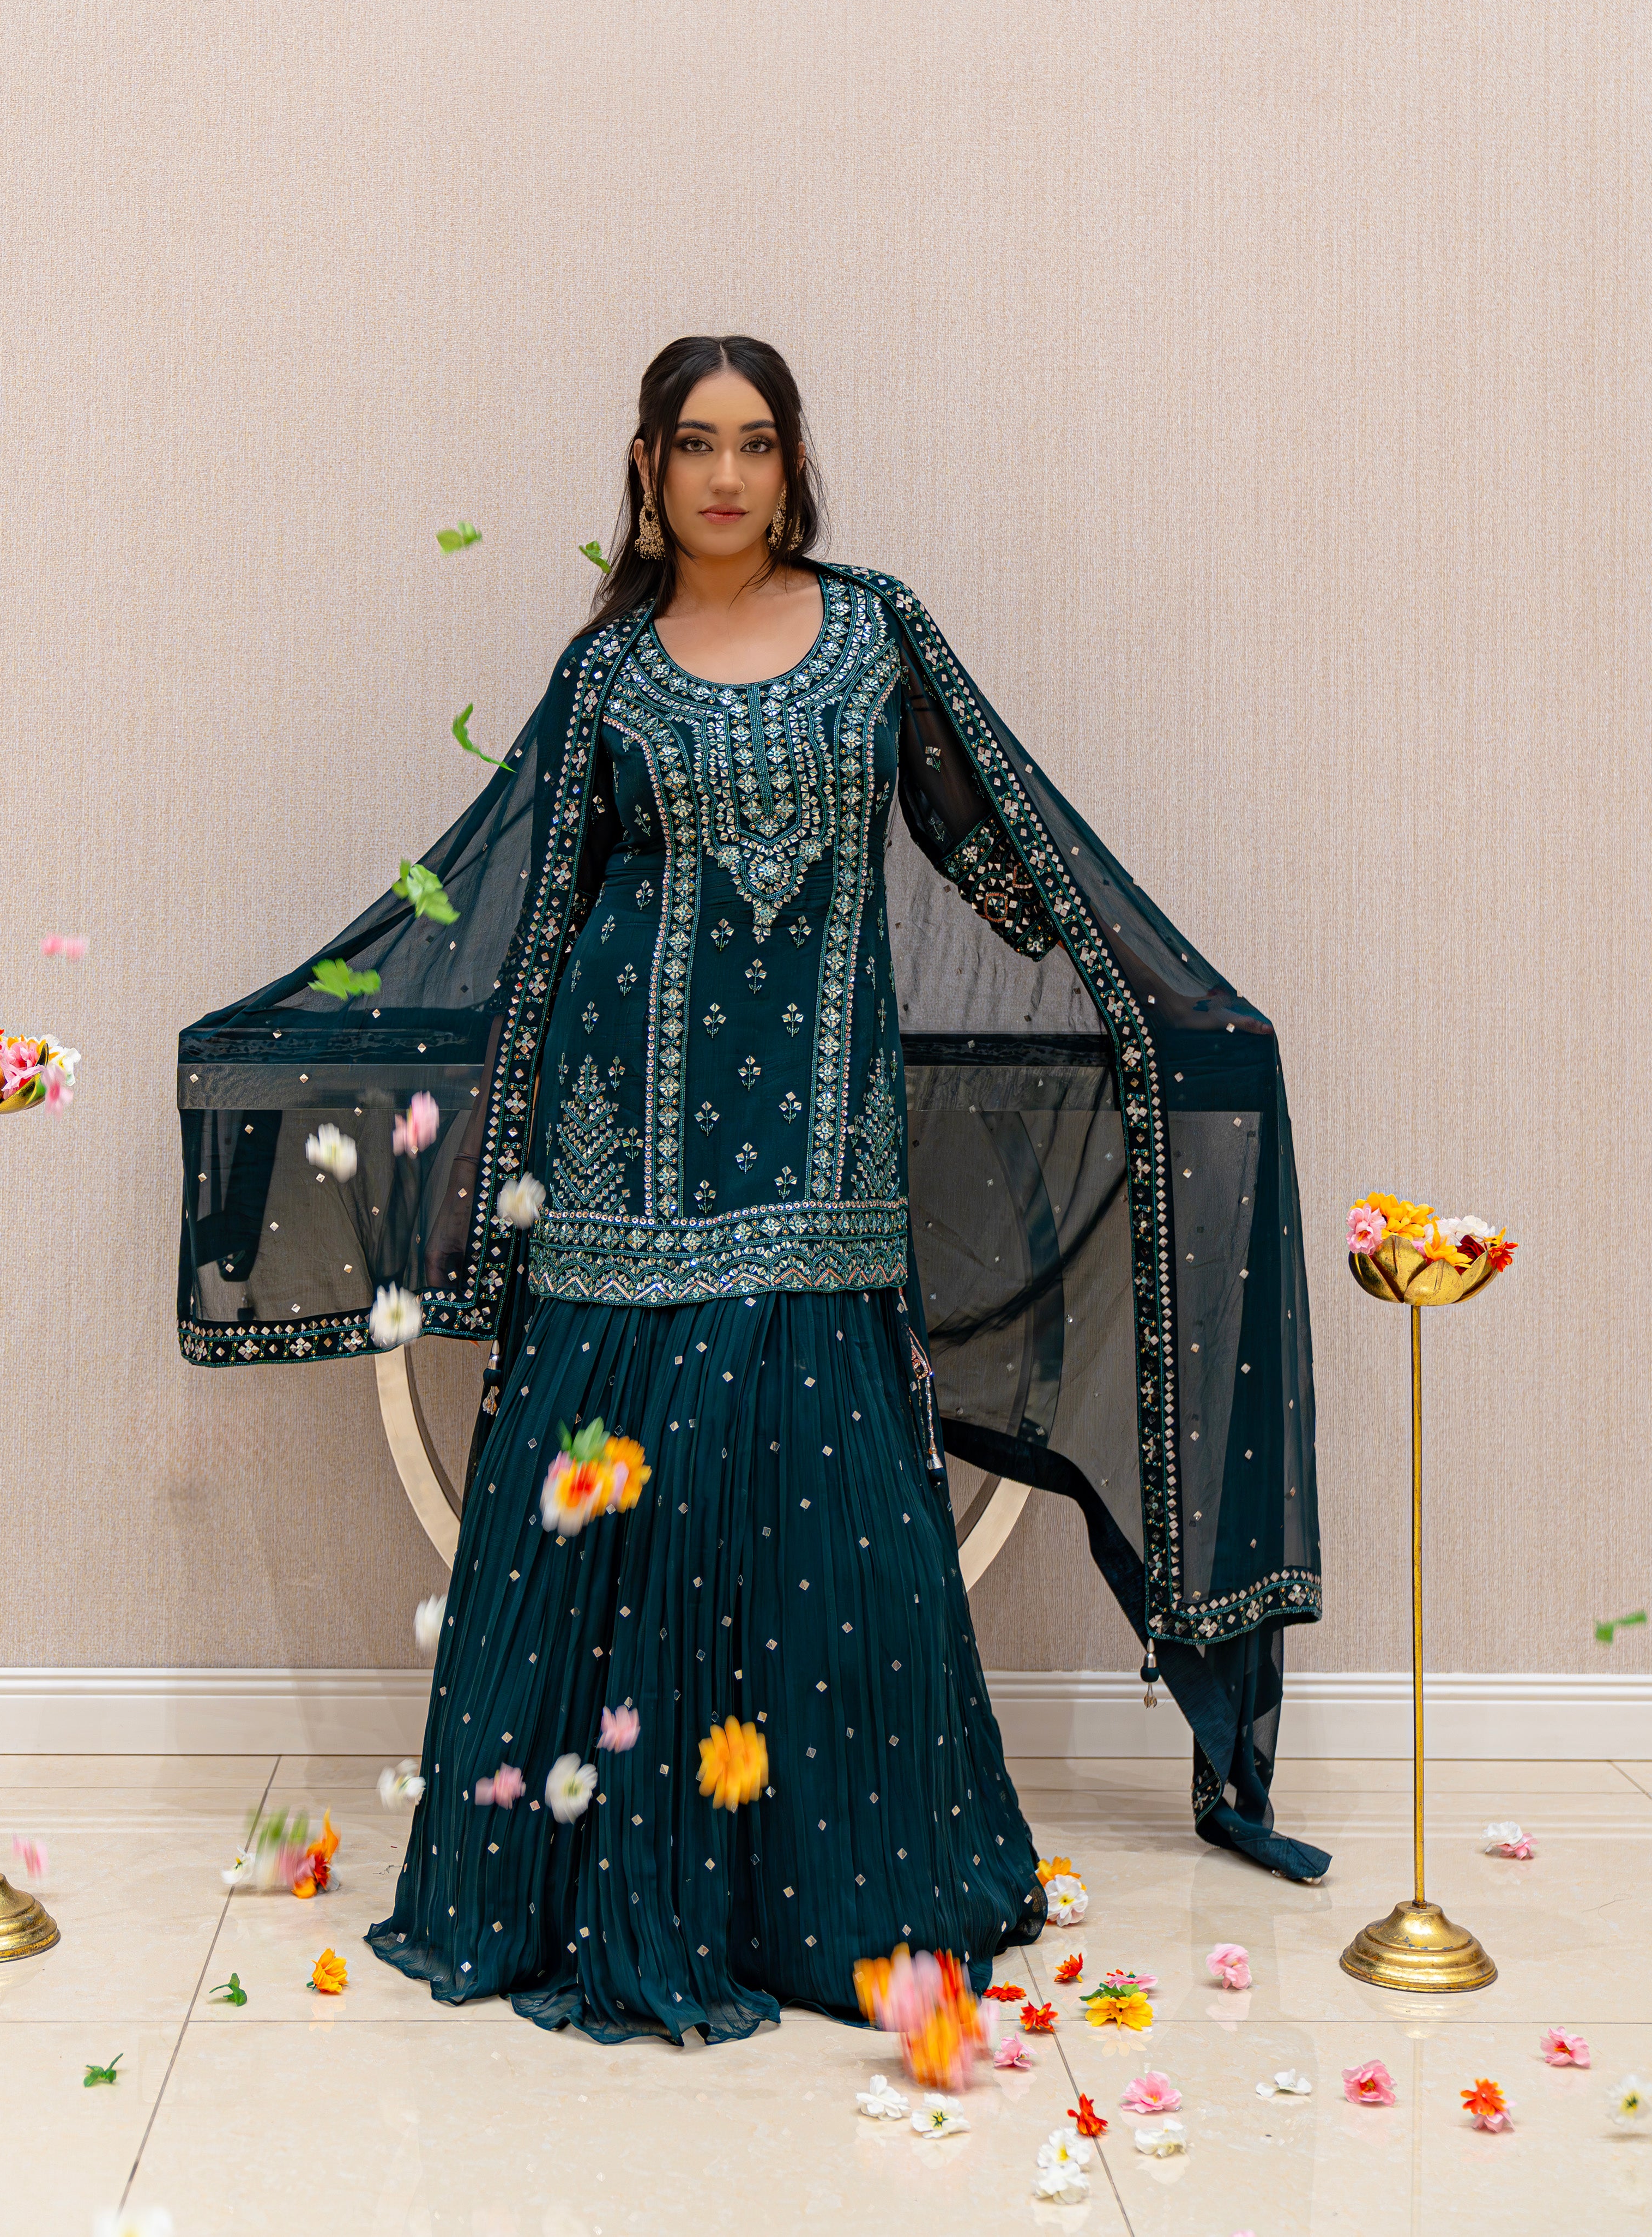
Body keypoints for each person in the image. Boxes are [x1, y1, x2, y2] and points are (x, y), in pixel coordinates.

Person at [174, 334, 1328, 2048]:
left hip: (816, 1151)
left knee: (822, 1483)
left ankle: (836, 1888)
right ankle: (577, 1874)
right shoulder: (611, 676)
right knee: (619, 1482)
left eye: (758, 443)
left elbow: (992, 834)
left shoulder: (875, 630)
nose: (727, 474)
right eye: (694, 443)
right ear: (646, 467)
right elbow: (531, 906)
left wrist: (1145, 997)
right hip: (630, 1138)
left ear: (795, 466)